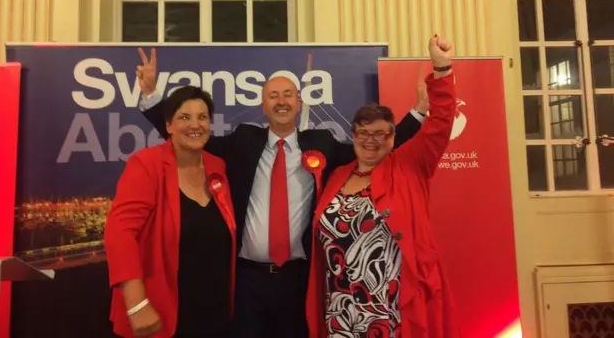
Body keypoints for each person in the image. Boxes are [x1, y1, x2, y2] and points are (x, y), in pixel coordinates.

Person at [134, 49, 426, 338]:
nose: (281, 101)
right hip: (247, 280)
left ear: (298, 102)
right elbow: (188, 137)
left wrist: (419, 112)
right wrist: (151, 97)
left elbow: (376, 147)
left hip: (299, 280)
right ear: (263, 105)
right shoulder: (243, 140)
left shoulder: (321, 142)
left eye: (288, 95)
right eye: (273, 96)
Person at [305, 36, 462, 338]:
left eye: (380, 134)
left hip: (392, 310)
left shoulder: (408, 166)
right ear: (353, 135)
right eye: (363, 133)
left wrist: (441, 68)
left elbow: (441, 123)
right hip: (341, 311)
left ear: (393, 138)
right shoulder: (337, 177)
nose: (371, 140)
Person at [104, 86, 236, 338]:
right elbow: (119, 232)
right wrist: (137, 304)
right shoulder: (147, 164)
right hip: (159, 313)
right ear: (169, 126)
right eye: (184, 117)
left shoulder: (217, 166)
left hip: (213, 315)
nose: (195, 125)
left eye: (202, 117)